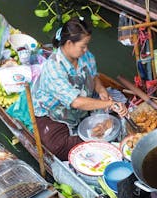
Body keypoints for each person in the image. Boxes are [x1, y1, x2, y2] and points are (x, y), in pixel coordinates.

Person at [31, 17, 128, 161]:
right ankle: (101, 144)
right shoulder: (53, 67)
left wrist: (101, 90)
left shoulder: (85, 56)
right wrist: (108, 104)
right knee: (59, 147)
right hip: (55, 114)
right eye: (83, 46)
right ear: (69, 43)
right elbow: (75, 102)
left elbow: (94, 77)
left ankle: (96, 140)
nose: (86, 49)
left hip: (80, 109)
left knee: (113, 121)